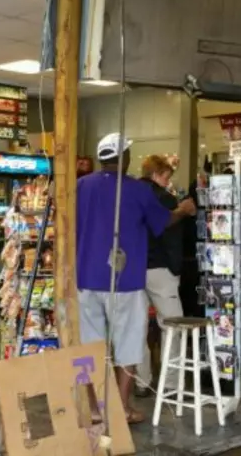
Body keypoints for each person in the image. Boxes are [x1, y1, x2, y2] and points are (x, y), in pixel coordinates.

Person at [76, 133, 197, 424]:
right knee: (128, 343)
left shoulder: (80, 186)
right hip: (125, 280)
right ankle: (121, 409)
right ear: (124, 157)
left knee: (90, 347)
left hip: (86, 278)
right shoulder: (136, 190)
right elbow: (162, 222)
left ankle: (93, 407)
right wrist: (182, 210)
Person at [135, 155, 187, 395]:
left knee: (137, 327)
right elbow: (172, 239)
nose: (167, 182)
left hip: (132, 270)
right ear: (156, 175)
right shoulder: (166, 199)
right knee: (173, 326)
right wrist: (176, 269)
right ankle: (170, 383)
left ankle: (140, 381)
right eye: (166, 177)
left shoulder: (129, 195)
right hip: (160, 270)